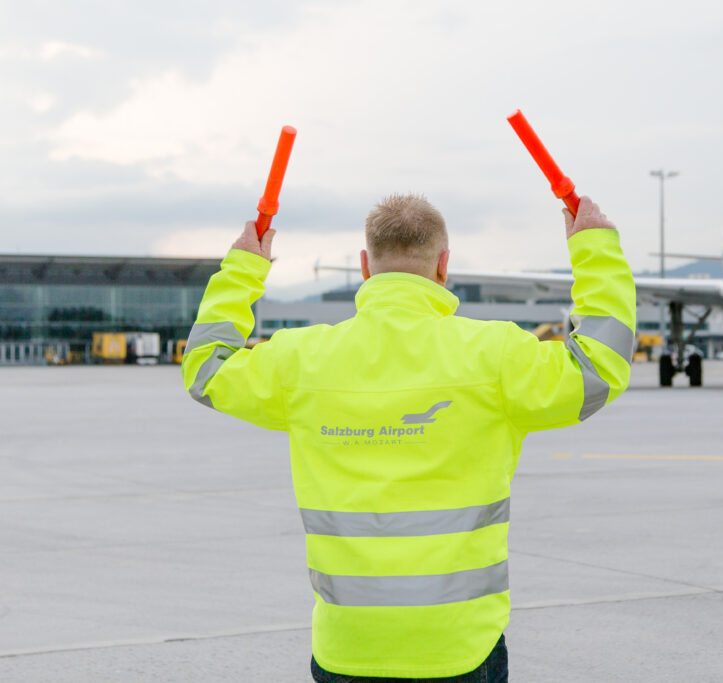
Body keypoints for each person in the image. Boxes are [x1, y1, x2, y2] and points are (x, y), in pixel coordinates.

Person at [181, 194, 636, 680]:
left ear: (365, 266)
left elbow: (206, 368)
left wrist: (243, 269)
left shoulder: (301, 360)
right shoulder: (495, 354)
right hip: (460, 647)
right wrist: (595, 249)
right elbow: (600, 366)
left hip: (348, 648)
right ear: (443, 266)